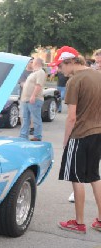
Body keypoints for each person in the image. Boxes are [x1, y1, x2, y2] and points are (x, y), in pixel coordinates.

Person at [52, 47, 101, 233]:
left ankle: (79, 223)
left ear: (71, 62)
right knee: (94, 176)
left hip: (80, 134)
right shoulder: (97, 75)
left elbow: (71, 117)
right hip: (98, 132)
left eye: (61, 66)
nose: (59, 70)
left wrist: (66, 140)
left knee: (77, 177)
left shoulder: (75, 81)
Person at [19, 58, 46, 141]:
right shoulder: (33, 73)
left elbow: (38, 85)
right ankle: (23, 135)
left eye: (32, 62)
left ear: (37, 63)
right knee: (25, 118)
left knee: (35, 118)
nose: (31, 63)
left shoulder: (40, 72)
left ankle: (37, 136)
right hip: (25, 99)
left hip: (34, 99)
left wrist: (33, 96)